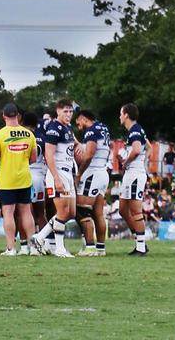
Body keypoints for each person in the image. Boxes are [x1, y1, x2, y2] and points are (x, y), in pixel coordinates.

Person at [0, 104, 37, 255]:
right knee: (26, 212)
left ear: (4, 116)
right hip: (24, 178)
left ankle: (11, 248)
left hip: (7, 179)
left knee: (8, 213)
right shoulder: (29, 134)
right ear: (18, 116)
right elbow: (33, 159)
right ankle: (32, 248)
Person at [31, 99, 77, 258]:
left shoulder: (68, 128)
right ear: (57, 111)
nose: (69, 114)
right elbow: (48, 154)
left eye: (70, 111)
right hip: (58, 173)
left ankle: (39, 237)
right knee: (62, 211)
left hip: (68, 173)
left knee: (71, 212)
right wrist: (56, 178)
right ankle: (59, 248)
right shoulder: (54, 129)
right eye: (65, 111)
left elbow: (72, 146)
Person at [73, 108, 111, 257]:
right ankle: (100, 248)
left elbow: (88, 155)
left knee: (81, 211)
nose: (78, 126)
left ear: (83, 118)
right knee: (98, 214)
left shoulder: (91, 130)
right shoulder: (103, 128)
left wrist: (79, 173)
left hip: (92, 173)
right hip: (103, 173)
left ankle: (89, 247)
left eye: (78, 122)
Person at [117, 103, 149, 256]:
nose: (119, 116)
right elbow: (147, 146)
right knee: (123, 210)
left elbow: (136, 150)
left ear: (126, 115)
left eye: (121, 113)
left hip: (135, 174)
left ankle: (141, 247)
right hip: (131, 174)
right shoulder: (136, 130)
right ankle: (139, 240)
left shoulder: (135, 131)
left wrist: (126, 162)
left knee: (136, 210)